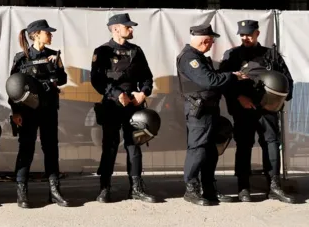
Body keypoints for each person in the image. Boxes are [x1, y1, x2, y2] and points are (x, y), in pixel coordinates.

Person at [218, 19, 295, 203]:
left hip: (267, 110)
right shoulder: (232, 55)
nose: (245, 37)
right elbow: (223, 82)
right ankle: (243, 187)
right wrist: (239, 98)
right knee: (244, 146)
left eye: (249, 34)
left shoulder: (271, 55)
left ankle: (274, 186)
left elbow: (287, 82)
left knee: (271, 144)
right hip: (243, 109)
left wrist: (277, 101)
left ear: (257, 34)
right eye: (242, 34)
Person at [176, 23, 249, 206]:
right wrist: (233, 76)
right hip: (199, 111)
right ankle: (191, 189)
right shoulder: (189, 58)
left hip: (209, 109)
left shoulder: (200, 57)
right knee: (198, 149)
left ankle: (208, 189)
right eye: (210, 42)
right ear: (204, 40)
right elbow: (208, 81)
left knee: (210, 151)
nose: (211, 46)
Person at [90, 13, 158, 203]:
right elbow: (97, 81)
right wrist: (115, 94)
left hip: (133, 106)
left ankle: (136, 188)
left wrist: (143, 92)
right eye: (128, 27)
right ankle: (105, 188)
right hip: (112, 105)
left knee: (134, 147)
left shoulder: (136, 51)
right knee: (109, 148)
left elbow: (147, 77)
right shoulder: (102, 51)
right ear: (116, 29)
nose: (131, 29)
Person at [9, 19, 68, 208]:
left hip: (49, 109)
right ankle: (22, 191)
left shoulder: (53, 54)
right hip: (27, 112)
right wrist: (15, 111)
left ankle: (54, 191)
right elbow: (13, 87)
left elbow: (63, 80)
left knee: (51, 149)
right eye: (47, 32)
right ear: (36, 35)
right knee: (26, 149)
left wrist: (57, 65)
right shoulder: (21, 58)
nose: (50, 35)